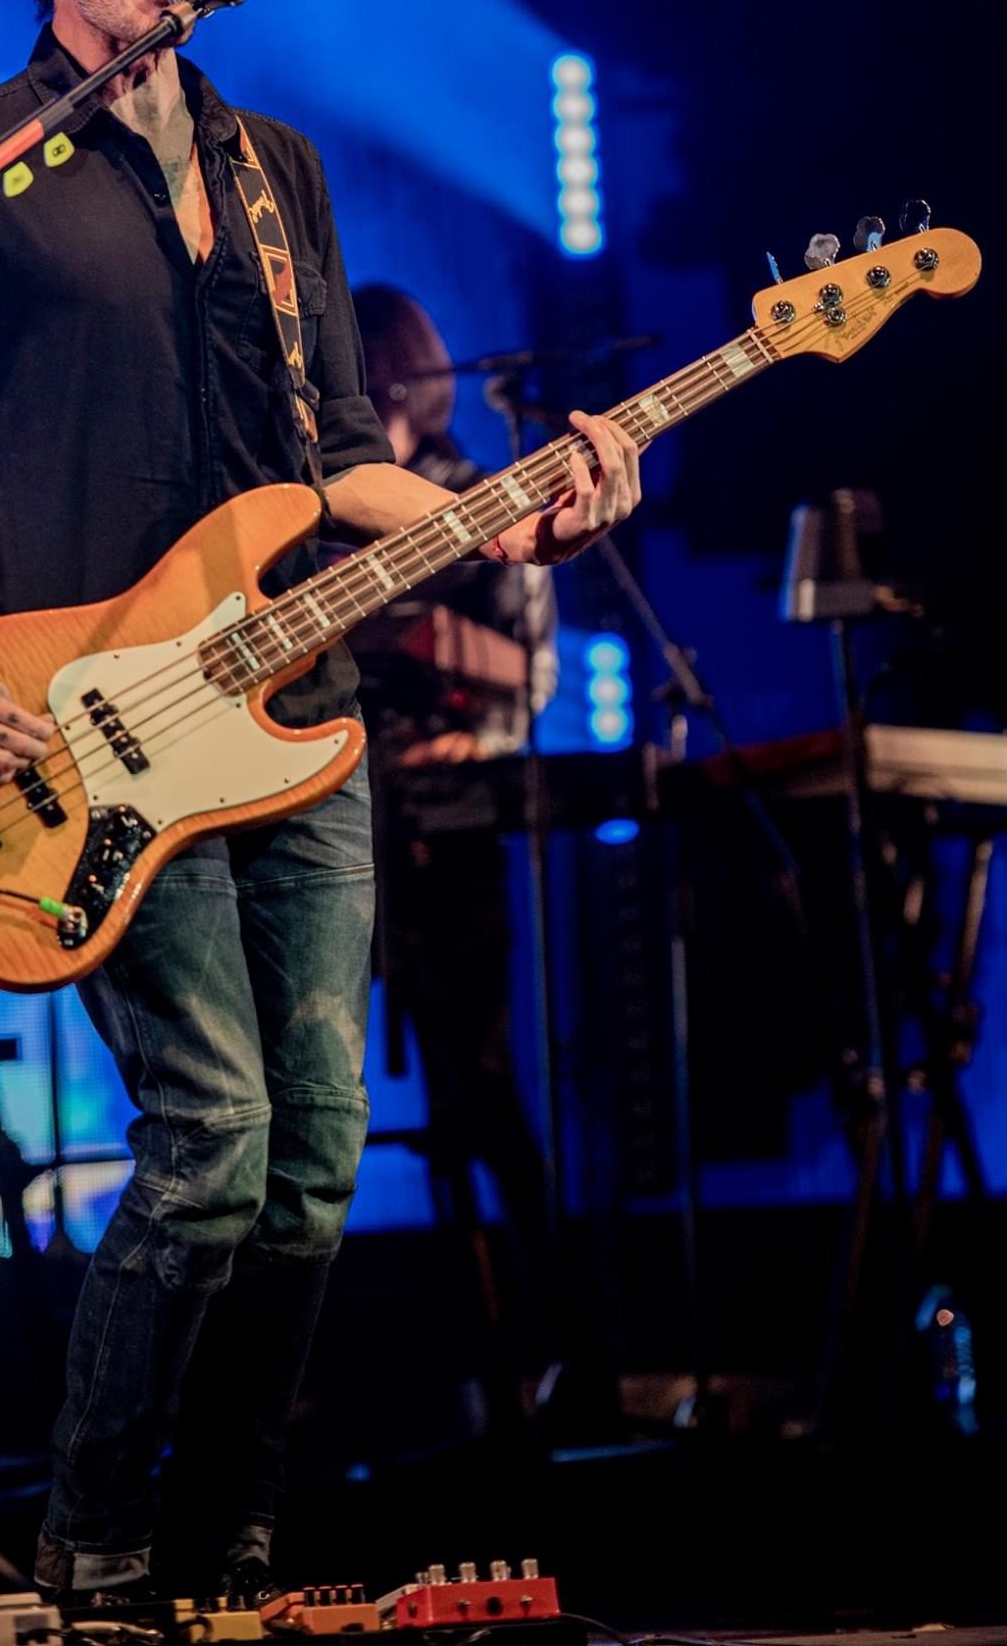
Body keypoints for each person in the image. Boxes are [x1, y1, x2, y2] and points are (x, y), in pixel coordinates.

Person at [0, 0, 642, 1605]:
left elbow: (339, 464)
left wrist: (510, 516)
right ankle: (95, 1541)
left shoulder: (277, 174)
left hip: (291, 710)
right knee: (214, 1142)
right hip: (74, 734)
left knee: (317, 1155)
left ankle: (229, 1539)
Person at [351, 285, 562, 1418]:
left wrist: (462, 713)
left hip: (449, 822)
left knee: (478, 1083)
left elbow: (530, 670)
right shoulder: (326, 502)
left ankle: (549, 1343)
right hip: (342, 808)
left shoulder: (480, 499)